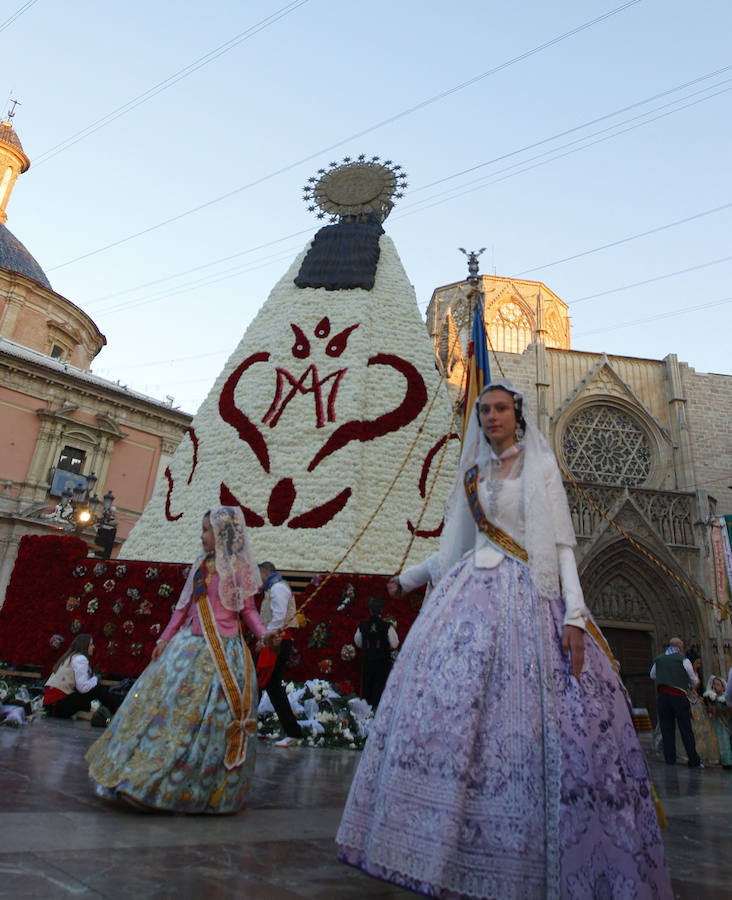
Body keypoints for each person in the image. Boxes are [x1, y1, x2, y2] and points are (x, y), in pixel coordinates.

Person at [336, 379, 671, 899]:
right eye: (485, 410)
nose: (491, 416)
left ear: (517, 414)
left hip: (528, 593)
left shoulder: (540, 467)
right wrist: (410, 578)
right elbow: (456, 548)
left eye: (500, 408)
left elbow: (561, 546)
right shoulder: (472, 473)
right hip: (469, 591)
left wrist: (576, 616)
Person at [86, 507, 279, 813]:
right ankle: (138, 776)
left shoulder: (241, 568)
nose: (201, 536)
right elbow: (183, 606)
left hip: (224, 652)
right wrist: (164, 638)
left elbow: (249, 611)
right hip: (187, 647)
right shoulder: (201, 564)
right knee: (163, 714)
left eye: (206, 531)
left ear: (222, 535)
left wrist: (264, 634)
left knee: (202, 723)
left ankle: (181, 786)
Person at [257, 561, 303, 748]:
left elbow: (278, 616)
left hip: (277, 641)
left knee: (268, 683)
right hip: (275, 639)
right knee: (264, 683)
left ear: (265, 572)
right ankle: (247, 724)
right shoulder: (273, 588)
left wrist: (265, 639)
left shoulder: (277, 587)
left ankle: (293, 731)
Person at [650, 637, 702, 768]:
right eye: (683, 647)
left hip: (663, 698)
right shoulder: (683, 660)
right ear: (679, 647)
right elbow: (694, 681)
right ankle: (693, 759)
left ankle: (670, 758)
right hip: (678, 697)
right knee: (686, 729)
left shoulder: (659, 659)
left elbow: (652, 675)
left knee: (667, 728)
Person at [44, 634, 121, 719]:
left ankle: (108, 714)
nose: (93, 647)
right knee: (97, 688)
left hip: (51, 705)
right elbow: (82, 687)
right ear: (84, 645)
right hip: (58, 704)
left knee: (87, 701)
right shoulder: (80, 659)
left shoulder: (70, 657)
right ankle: (119, 711)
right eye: (91, 644)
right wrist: (96, 678)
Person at [354, 596, 398, 708]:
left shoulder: (363, 625)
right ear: (381, 611)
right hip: (382, 663)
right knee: (380, 689)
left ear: (370, 610)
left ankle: (366, 715)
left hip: (368, 662)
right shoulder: (387, 626)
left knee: (367, 688)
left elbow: (358, 642)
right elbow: (394, 643)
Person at [704, 675, 732, 768]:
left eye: (718, 685)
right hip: (715, 723)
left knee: (724, 742)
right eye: (714, 685)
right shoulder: (712, 697)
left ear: (723, 687)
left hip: (723, 724)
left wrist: (719, 709)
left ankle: (727, 761)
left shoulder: (725, 698)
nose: (715, 687)